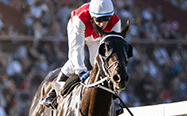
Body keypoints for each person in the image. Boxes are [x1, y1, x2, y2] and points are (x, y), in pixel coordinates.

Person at [41, 0, 121, 109]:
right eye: (99, 19)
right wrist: (81, 71)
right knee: (74, 63)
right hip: (78, 30)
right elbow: (77, 49)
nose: (102, 24)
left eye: (106, 19)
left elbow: (112, 51)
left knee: (99, 62)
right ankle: (54, 92)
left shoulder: (115, 23)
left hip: (96, 37)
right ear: (92, 16)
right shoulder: (80, 18)